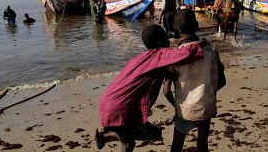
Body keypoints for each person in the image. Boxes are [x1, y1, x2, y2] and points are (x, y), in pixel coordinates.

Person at [95, 24, 205, 152]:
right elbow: (185, 53)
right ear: (160, 41)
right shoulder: (159, 55)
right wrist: (202, 43)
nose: (168, 38)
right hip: (121, 107)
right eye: (165, 35)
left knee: (153, 134)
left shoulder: (140, 59)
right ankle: (107, 134)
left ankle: (106, 135)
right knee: (128, 144)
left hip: (109, 102)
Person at [163, 9, 226, 152]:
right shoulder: (211, 50)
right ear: (197, 25)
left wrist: (177, 105)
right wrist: (207, 94)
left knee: (177, 145)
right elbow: (222, 81)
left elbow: (166, 91)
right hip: (206, 107)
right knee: (202, 145)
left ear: (176, 29)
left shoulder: (176, 55)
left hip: (185, 110)